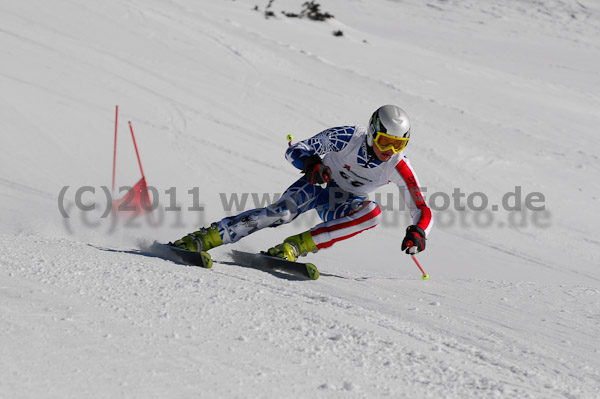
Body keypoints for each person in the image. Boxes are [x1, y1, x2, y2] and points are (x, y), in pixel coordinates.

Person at [172, 105, 433, 261]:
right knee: (281, 214)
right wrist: (310, 164)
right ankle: (206, 238)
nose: (389, 150)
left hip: (344, 204)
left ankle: (294, 247)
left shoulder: (398, 165)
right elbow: (296, 148)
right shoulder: (347, 137)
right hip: (318, 185)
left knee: (373, 214)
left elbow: (421, 208)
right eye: (385, 141)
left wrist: (418, 231)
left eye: (398, 144)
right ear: (373, 131)